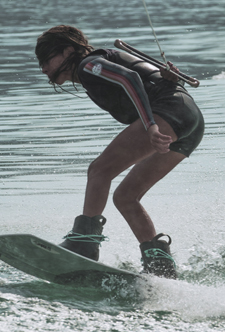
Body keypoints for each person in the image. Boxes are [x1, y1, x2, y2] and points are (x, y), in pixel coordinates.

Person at [34, 25, 205, 279]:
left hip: (169, 112)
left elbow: (131, 79)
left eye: (47, 59)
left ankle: (84, 242)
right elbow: (150, 78)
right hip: (190, 121)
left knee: (99, 171)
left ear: (68, 50)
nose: (44, 68)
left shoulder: (88, 65)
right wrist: (170, 77)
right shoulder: (98, 64)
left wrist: (149, 125)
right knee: (125, 196)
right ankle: (160, 265)